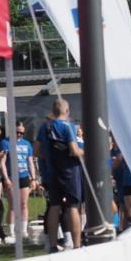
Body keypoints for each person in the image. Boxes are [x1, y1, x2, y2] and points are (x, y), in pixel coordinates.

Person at [41, 98, 85, 250]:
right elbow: (74, 151)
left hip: (52, 172)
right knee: (73, 206)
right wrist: (85, 152)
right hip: (69, 172)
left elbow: (37, 151)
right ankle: (77, 245)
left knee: (54, 206)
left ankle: (53, 245)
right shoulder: (68, 126)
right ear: (67, 111)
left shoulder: (44, 127)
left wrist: (50, 157)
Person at [0, 121, 37, 238]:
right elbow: (2, 162)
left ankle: (23, 230)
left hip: (24, 176)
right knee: (13, 205)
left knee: (23, 204)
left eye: (22, 133)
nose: (19, 134)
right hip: (11, 177)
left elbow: (30, 162)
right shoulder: (5, 142)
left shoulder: (27, 144)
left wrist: (33, 178)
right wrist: (6, 178)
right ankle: (12, 232)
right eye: (17, 132)